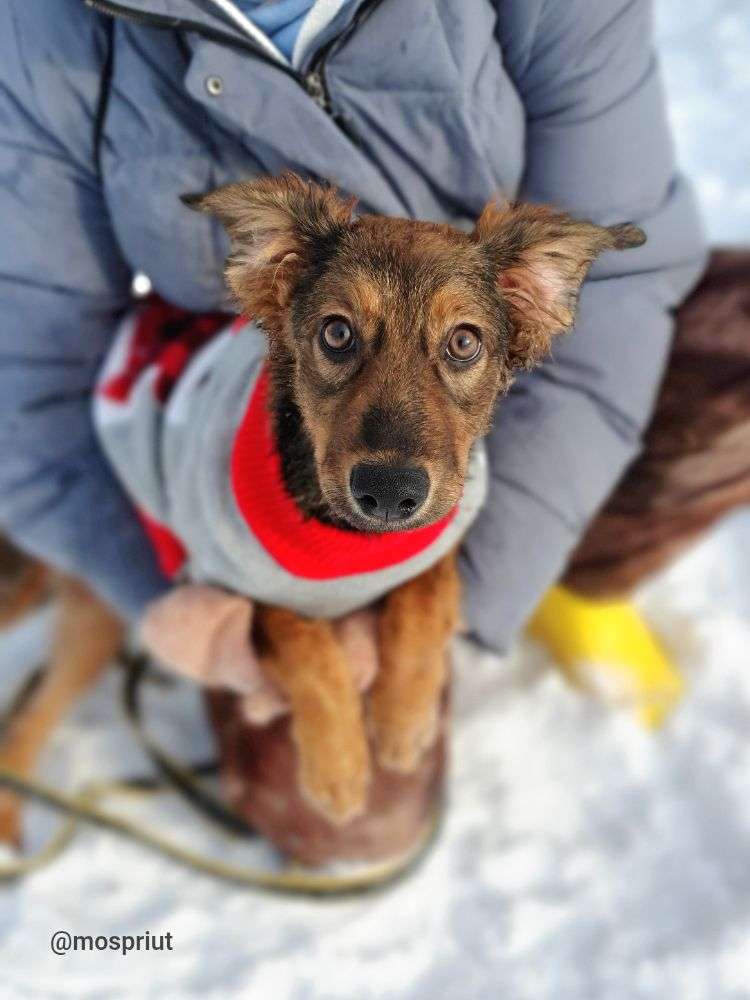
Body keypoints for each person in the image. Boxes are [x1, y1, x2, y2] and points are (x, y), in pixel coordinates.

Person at [0, 0, 706, 706]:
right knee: (353, 814)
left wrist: (466, 597)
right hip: (217, 464)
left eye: (460, 341)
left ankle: (579, 564)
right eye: (341, 335)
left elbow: (626, 280)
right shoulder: (43, 30)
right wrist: (179, 606)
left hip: (514, 395)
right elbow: (30, 380)